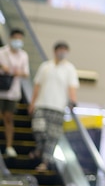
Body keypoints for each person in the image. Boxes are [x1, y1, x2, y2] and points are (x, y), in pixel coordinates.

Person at [28, 41, 79, 171]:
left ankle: (45, 162)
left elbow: (72, 88)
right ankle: (39, 148)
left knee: (52, 137)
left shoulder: (70, 68)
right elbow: (37, 85)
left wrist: (73, 101)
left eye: (65, 50)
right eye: (60, 49)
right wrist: (32, 103)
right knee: (39, 129)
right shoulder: (46, 66)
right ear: (55, 51)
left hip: (58, 107)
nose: (62, 52)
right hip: (42, 104)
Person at [0, 28, 30, 157]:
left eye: (20, 39)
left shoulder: (23, 55)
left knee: (9, 118)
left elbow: (26, 73)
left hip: (13, 91)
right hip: (1, 89)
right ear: (10, 38)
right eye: (16, 38)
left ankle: (9, 146)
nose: (18, 41)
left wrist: (17, 72)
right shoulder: (2, 52)